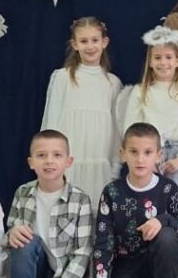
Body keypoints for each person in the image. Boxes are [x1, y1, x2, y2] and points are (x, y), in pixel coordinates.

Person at [92, 122, 178, 278]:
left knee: (167, 236)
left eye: (147, 152)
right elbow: (102, 246)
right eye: (133, 152)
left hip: (160, 261)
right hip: (127, 264)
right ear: (123, 154)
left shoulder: (168, 189)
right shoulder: (112, 192)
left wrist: (163, 220)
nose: (140, 159)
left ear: (158, 155)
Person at [2, 130, 93, 278]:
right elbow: (8, 239)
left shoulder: (80, 199)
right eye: (41, 155)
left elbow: (82, 254)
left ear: (68, 161)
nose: (49, 161)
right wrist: (11, 234)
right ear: (31, 162)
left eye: (57, 155)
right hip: (34, 266)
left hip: (62, 272)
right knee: (24, 240)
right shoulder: (22, 193)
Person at [41, 16, 122, 197]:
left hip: (99, 160)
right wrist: (50, 158)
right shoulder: (62, 77)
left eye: (95, 40)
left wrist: (116, 165)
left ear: (104, 42)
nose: (90, 46)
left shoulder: (113, 83)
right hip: (69, 160)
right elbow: (51, 121)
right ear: (75, 44)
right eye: (84, 41)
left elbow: (117, 129)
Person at [123, 25, 178, 206]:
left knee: (177, 204)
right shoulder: (140, 92)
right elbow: (131, 128)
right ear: (150, 62)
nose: (163, 62)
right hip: (147, 155)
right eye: (157, 57)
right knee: (147, 203)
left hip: (177, 158)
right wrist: (144, 157)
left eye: (168, 57)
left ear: (177, 61)